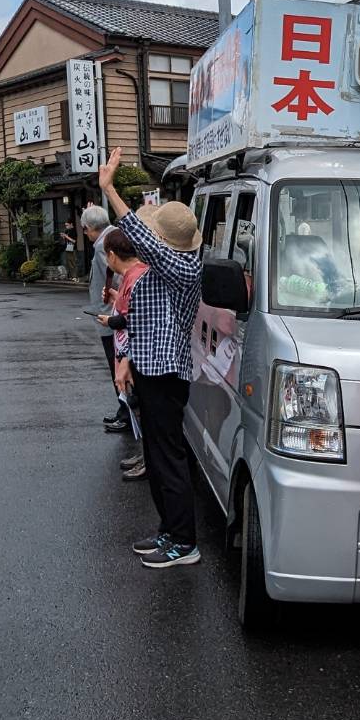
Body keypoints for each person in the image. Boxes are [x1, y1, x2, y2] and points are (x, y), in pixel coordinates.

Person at [98, 146, 203, 569]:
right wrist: (125, 361)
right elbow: (141, 318)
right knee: (159, 458)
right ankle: (168, 531)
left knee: (169, 457)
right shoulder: (166, 267)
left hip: (166, 374)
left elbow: (138, 235)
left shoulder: (181, 265)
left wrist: (110, 189)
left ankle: (184, 542)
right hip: (149, 368)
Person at [97, 226, 149, 480]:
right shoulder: (132, 275)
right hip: (129, 351)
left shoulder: (137, 275)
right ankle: (145, 456)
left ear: (113, 254)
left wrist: (111, 321)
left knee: (142, 407)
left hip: (136, 353)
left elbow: (132, 318)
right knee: (137, 407)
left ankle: (148, 460)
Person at [80, 205, 124, 431]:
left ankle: (125, 413)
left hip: (111, 313)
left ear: (89, 228)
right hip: (114, 311)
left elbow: (115, 275)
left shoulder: (102, 247)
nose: (85, 234)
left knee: (116, 363)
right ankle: (124, 410)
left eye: (85, 230)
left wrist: (112, 300)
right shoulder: (114, 234)